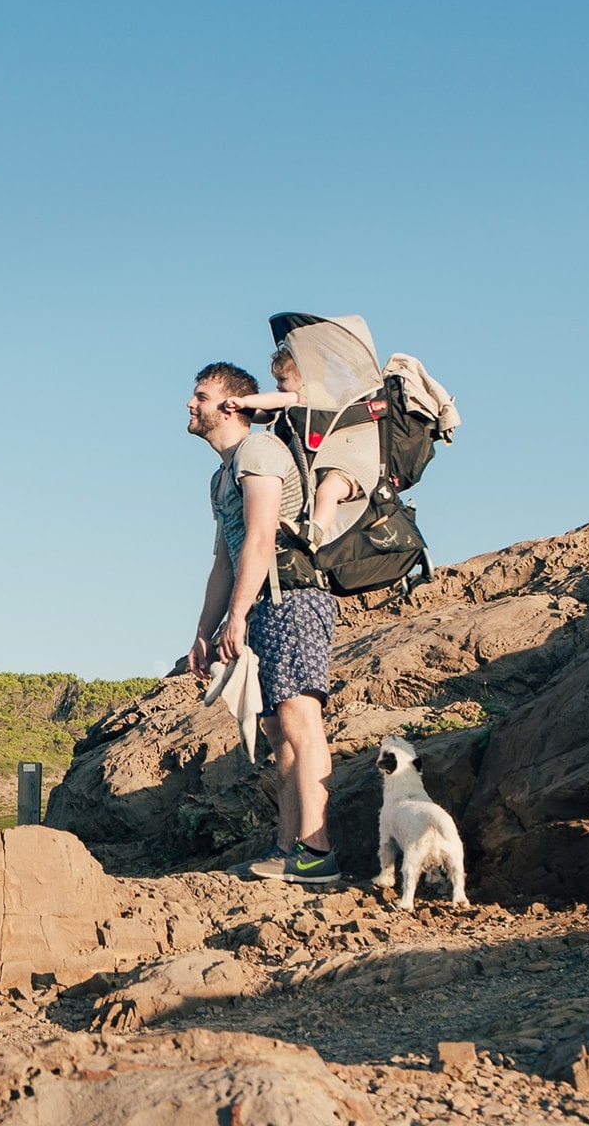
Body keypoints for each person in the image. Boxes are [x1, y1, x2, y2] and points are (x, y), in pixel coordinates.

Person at [185, 361, 341, 883]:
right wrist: (204, 632)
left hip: (293, 598)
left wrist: (237, 615)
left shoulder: (259, 452)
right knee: (278, 731)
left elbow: (259, 537)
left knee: (301, 721)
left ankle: (317, 852)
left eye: (201, 396)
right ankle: (288, 850)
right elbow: (224, 562)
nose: (191, 404)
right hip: (264, 605)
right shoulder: (221, 475)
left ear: (231, 406)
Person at [220, 344, 376, 549]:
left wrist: (244, 401)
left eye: (282, 380)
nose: (278, 386)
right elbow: (267, 414)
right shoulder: (295, 404)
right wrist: (238, 411)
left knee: (328, 491)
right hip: (329, 464)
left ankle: (315, 533)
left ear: (305, 377)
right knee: (325, 491)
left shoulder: (313, 395)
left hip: (349, 466)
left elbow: (280, 399)